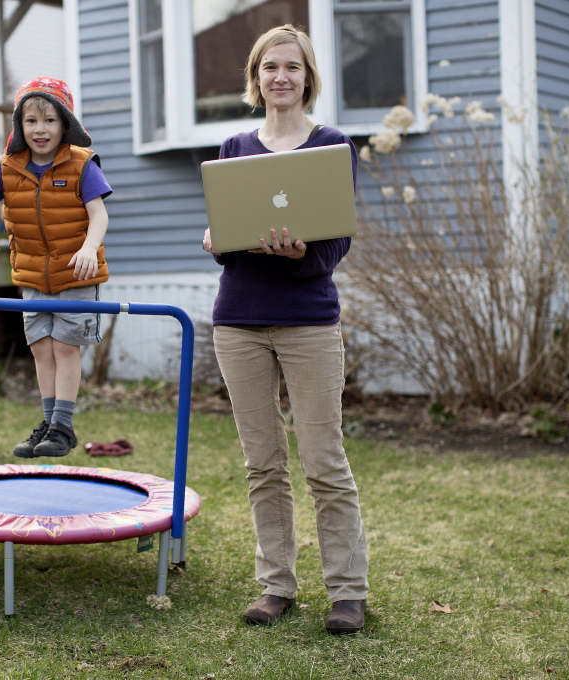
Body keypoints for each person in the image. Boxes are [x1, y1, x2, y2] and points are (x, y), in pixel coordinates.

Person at [202, 25, 369, 635]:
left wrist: (301, 252)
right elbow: (230, 244)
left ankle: (348, 593)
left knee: (325, 461)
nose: (281, 77)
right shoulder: (234, 147)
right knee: (262, 465)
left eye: (292, 68)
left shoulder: (332, 146)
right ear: (256, 77)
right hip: (239, 323)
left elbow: (335, 246)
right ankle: (276, 586)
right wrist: (216, 240)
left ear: (307, 77)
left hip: (308, 324)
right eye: (270, 66)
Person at [0, 76, 112, 458]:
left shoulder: (81, 164)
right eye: (31, 121)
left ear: (64, 124)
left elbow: (99, 215)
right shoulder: (9, 167)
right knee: (41, 349)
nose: (40, 129)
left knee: (65, 346)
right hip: (32, 277)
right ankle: (49, 424)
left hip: (76, 274)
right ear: (20, 126)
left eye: (49, 121)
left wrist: (88, 248)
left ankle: (63, 425)